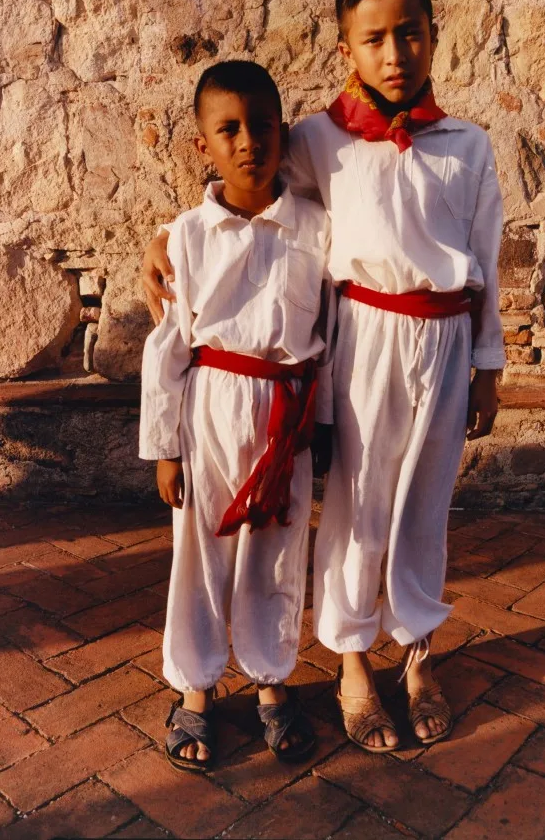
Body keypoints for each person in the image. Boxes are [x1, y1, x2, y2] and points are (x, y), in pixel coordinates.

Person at [143, 0, 505, 754]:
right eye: (374, 38)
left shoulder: (469, 147)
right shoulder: (320, 140)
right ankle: (350, 663)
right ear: (348, 49)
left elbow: (488, 258)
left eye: (409, 33)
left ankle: (417, 657)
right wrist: (163, 237)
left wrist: (488, 364)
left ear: (432, 36)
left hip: (446, 342)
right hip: (363, 337)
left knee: (425, 504)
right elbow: (241, 192)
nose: (394, 53)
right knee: (358, 503)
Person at [139, 60, 334, 771]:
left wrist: (327, 420)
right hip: (211, 413)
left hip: (287, 414)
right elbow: (167, 345)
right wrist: (164, 445)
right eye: (228, 129)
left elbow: (331, 336)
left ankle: (272, 680)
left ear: (283, 130)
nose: (249, 140)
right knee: (200, 554)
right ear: (203, 147)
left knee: (277, 556)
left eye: (262, 124)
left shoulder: (315, 226)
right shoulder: (186, 237)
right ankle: (194, 689)